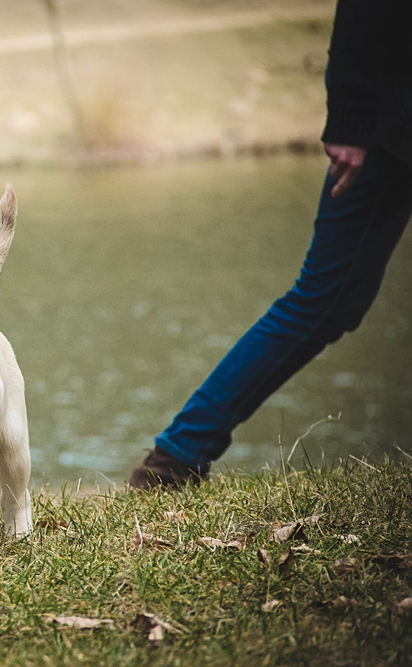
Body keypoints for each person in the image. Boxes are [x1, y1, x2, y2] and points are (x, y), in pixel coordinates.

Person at [130, 0, 412, 489]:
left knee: (333, 300)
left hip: (389, 117)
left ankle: (177, 456)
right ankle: (177, 456)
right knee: (325, 297)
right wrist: (351, 115)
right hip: (388, 119)